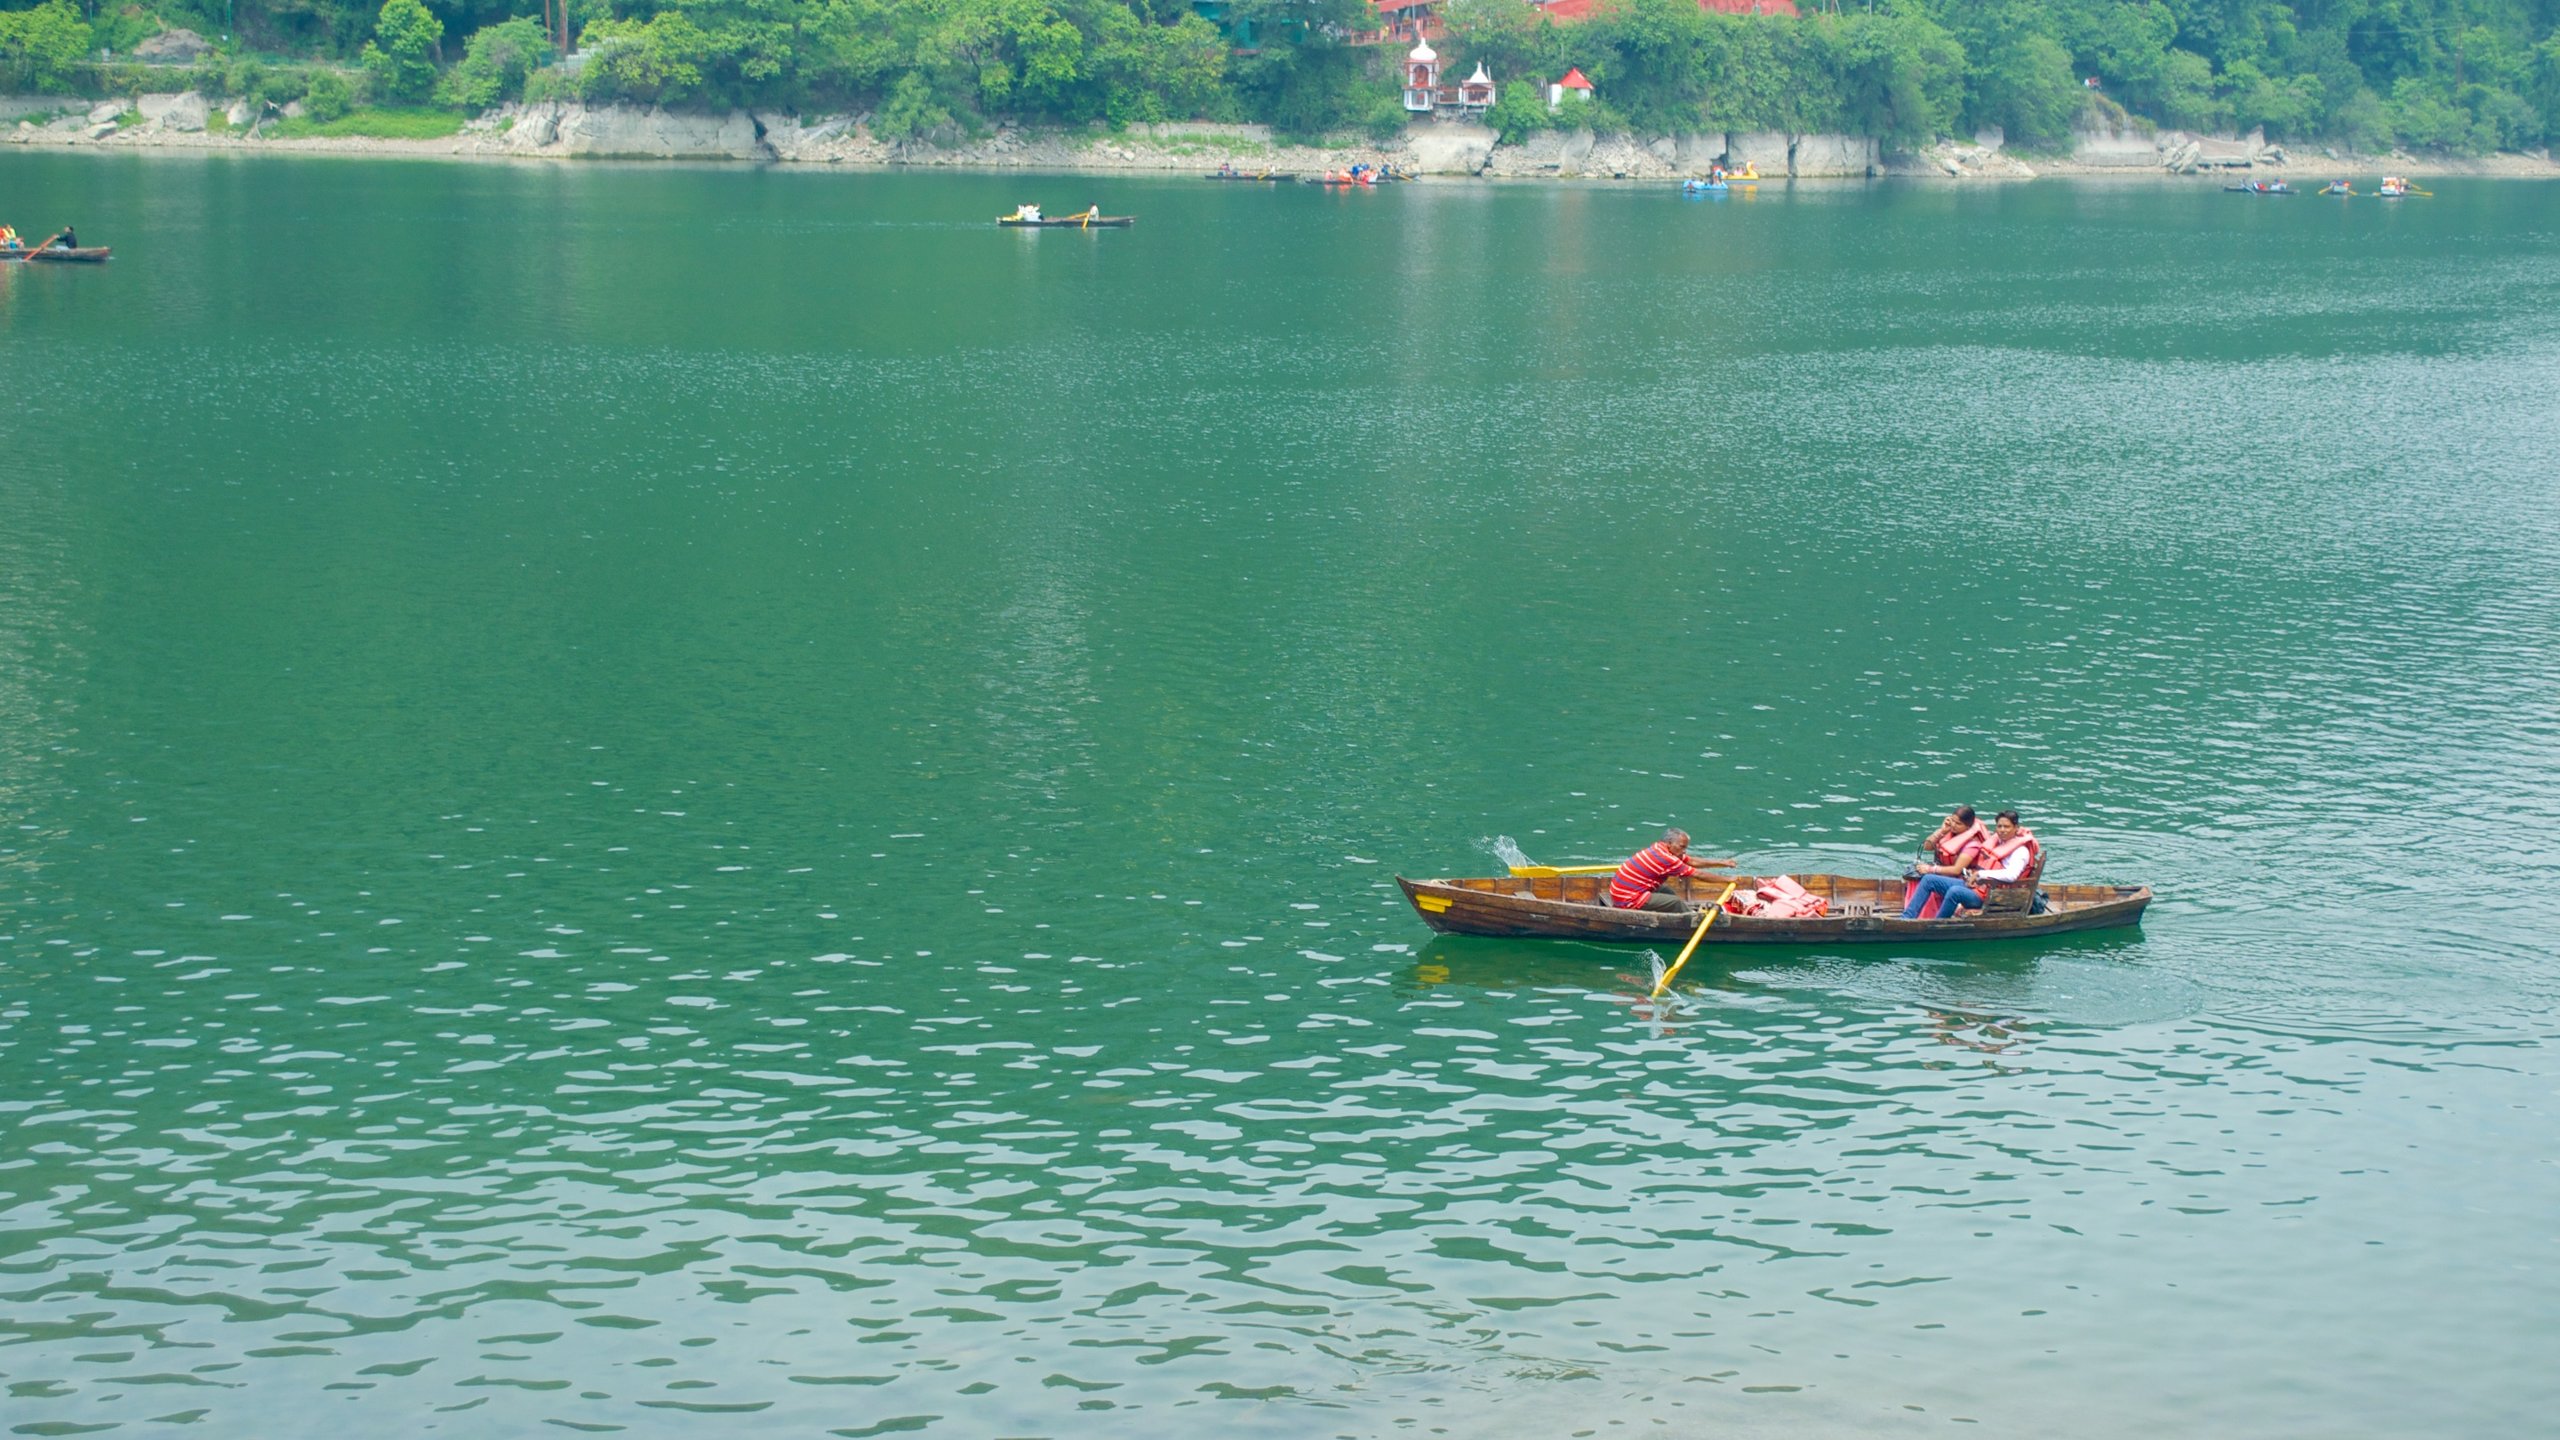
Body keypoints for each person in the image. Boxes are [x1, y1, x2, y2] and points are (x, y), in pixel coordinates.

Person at [1902, 810, 2038, 919]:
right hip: (1977, 886)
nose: (2002, 830)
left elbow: (2011, 875)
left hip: (1991, 895)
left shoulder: (2020, 851)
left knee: (1955, 892)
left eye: (2007, 826)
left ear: (2016, 828)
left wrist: (1980, 874)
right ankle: (1907, 918)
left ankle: (1936, 924)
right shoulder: (1998, 842)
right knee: (1929, 879)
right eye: (1999, 826)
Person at [1607, 828, 1738, 914]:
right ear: (1670, 843)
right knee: (1676, 902)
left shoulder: (1659, 847)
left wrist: (1722, 863)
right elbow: (1698, 874)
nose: (1684, 851)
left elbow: (1691, 861)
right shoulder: (1666, 858)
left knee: (1666, 891)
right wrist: (1727, 880)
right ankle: (1691, 919)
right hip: (1627, 900)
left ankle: (1677, 912)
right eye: (1682, 847)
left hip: (1621, 892)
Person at [1911, 806, 1988, 879]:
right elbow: (1927, 847)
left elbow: (1957, 870)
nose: (1953, 825)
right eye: (1953, 821)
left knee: (1927, 878)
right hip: (1941, 871)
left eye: (1958, 823)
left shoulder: (1973, 845)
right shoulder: (1948, 832)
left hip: (1959, 879)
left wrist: (1930, 869)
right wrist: (1942, 831)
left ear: (1968, 827)